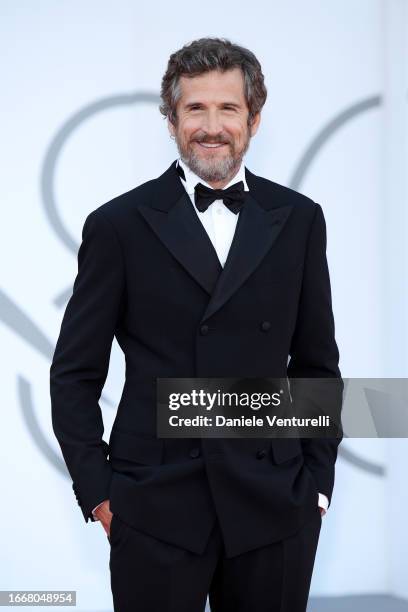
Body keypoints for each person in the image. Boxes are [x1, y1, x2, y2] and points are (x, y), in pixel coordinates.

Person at [50, 36, 343, 612]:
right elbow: (74, 374)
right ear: (171, 120)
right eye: (195, 109)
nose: (212, 126)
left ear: (253, 120)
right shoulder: (117, 225)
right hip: (155, 510)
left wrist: (317, 486)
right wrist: (102, 497)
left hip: (274, 508)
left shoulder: (301, 220)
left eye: (228, 108)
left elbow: (317, 365)